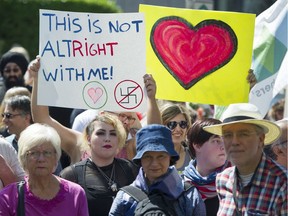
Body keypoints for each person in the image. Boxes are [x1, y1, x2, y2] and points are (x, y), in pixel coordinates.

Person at [29, 57, 141, 163]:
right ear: (102, 115)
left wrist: (149, 98)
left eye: (129, 118)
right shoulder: (79, 144)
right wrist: (38, 80)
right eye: (121, 116)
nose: (126, 121)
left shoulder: (133, 149)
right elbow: (42, 119)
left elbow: (154, 133)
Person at [203, 103, 287, 215]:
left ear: (261, 139)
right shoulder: (223, 179)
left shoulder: (283, 183)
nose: (235, 142)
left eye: (243, 134)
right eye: (228, 135)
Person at [109, 124, 206, 215]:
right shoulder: (125, 198)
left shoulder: (189, 196)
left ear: (170, 158)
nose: (154, 163)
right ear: (140, 159)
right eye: (148, 157)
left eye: (161, 156)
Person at [0, 123, 89, 215]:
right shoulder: (8, 197)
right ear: (23, 158)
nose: (41, 159)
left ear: (56, 158)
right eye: (34, 153)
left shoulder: (75, 194)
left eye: (47, 153)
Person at [60, 113, 139, 216]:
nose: (107, 138)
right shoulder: (71, 175)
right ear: (88, 139)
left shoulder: (131, 169)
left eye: (113, 134)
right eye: (101, 133)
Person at [144, 74, 192, 173]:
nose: (178, 129)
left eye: (182, 124)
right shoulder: (154, 153)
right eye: (172, 125)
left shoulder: (193, 154)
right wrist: (151, 98)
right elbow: (154, 127)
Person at [182, 118, 231, 216]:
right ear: (197, 145)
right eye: (216, 140)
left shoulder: (234, 181)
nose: (223, 146)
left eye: (224, 139)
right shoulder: (181, 187)